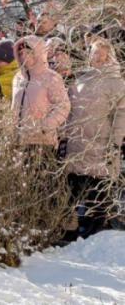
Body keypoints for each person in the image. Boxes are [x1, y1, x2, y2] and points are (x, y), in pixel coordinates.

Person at [63, 39, 125, 239]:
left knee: (97, 189)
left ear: (109, 55)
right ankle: (77, 229)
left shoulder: (116, 82)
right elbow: (70, 110)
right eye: (93, 52)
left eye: (101, 53)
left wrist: (115, 142)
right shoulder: (82, 79)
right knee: (77, 187)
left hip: (101, 143)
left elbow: (121, 115)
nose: (96, 57)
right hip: (77, 143)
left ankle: (97, 231)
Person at [11, 36, 70, 148]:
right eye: (20, 53)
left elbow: (63, 106)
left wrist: (44, 126)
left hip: (42, 142)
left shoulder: (51, 77)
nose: (24, 57)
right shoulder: (17, 78)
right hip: (18, 141)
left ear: (38, 53)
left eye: (28, 52)